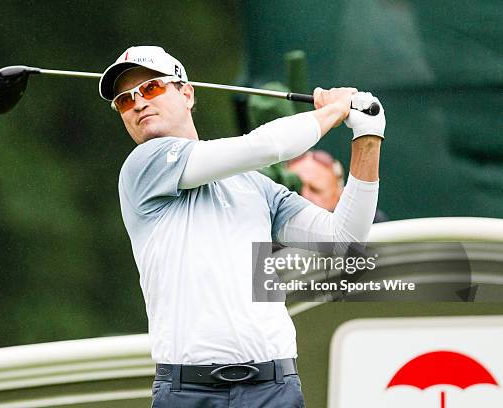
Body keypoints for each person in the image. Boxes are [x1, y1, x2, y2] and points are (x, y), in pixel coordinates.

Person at [99, 46, 385, 408]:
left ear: (186, 93)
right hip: (189, 391)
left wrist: (368, 135)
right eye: (124, 100)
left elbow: (344, 240)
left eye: (151, 88)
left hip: (273, 387)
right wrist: (336, 110)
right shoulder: (143, 166)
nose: (138, 103)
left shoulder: (255, 185)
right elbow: (263, 146)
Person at [287, 150, 388, 222]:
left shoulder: (368, 224)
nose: (304, 196)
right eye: (294, 188)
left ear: (340, 194)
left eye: (315, 190)